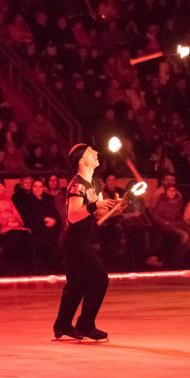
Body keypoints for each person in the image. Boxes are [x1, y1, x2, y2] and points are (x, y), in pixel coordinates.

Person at [53, 143, 118, 341]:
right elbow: (73, 215)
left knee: (77, 285)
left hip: (78, 241)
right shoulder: (77, 185)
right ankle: (85, 325)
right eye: (91, 152)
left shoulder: (92, 184)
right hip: (74, 242)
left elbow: (98, 215)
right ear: (82, 160)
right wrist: (95, 205)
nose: (96, 153)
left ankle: (62, 325)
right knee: (99, 279)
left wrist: (115, 207)